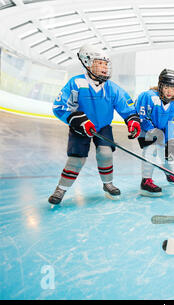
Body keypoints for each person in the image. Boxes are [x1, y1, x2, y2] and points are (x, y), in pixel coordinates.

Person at [48, 43, 141, 205]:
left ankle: (108, 184)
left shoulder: (112, 88)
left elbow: (126, 107)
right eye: (100, 63)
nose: (104, 67)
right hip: (80, 127)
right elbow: (59, 107)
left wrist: (132, 120)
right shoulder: (76, 83)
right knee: (76, 160)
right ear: (87, 63)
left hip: (103, 127)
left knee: (105, 154)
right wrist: (76, 119)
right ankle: (61, 188)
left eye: (106, 64)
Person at [135, 68, 174, 197]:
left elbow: (172, 123)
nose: (169, 91)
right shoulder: (148, 96)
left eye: (173, 88)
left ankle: (170, 174)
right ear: (160, 86)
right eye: (167, 87)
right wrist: (153, 131)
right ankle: (146, 181)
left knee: (167, 152)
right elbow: (141, 116)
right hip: (146, 130)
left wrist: (170, 141)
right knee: (151, 149)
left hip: (161, 132)